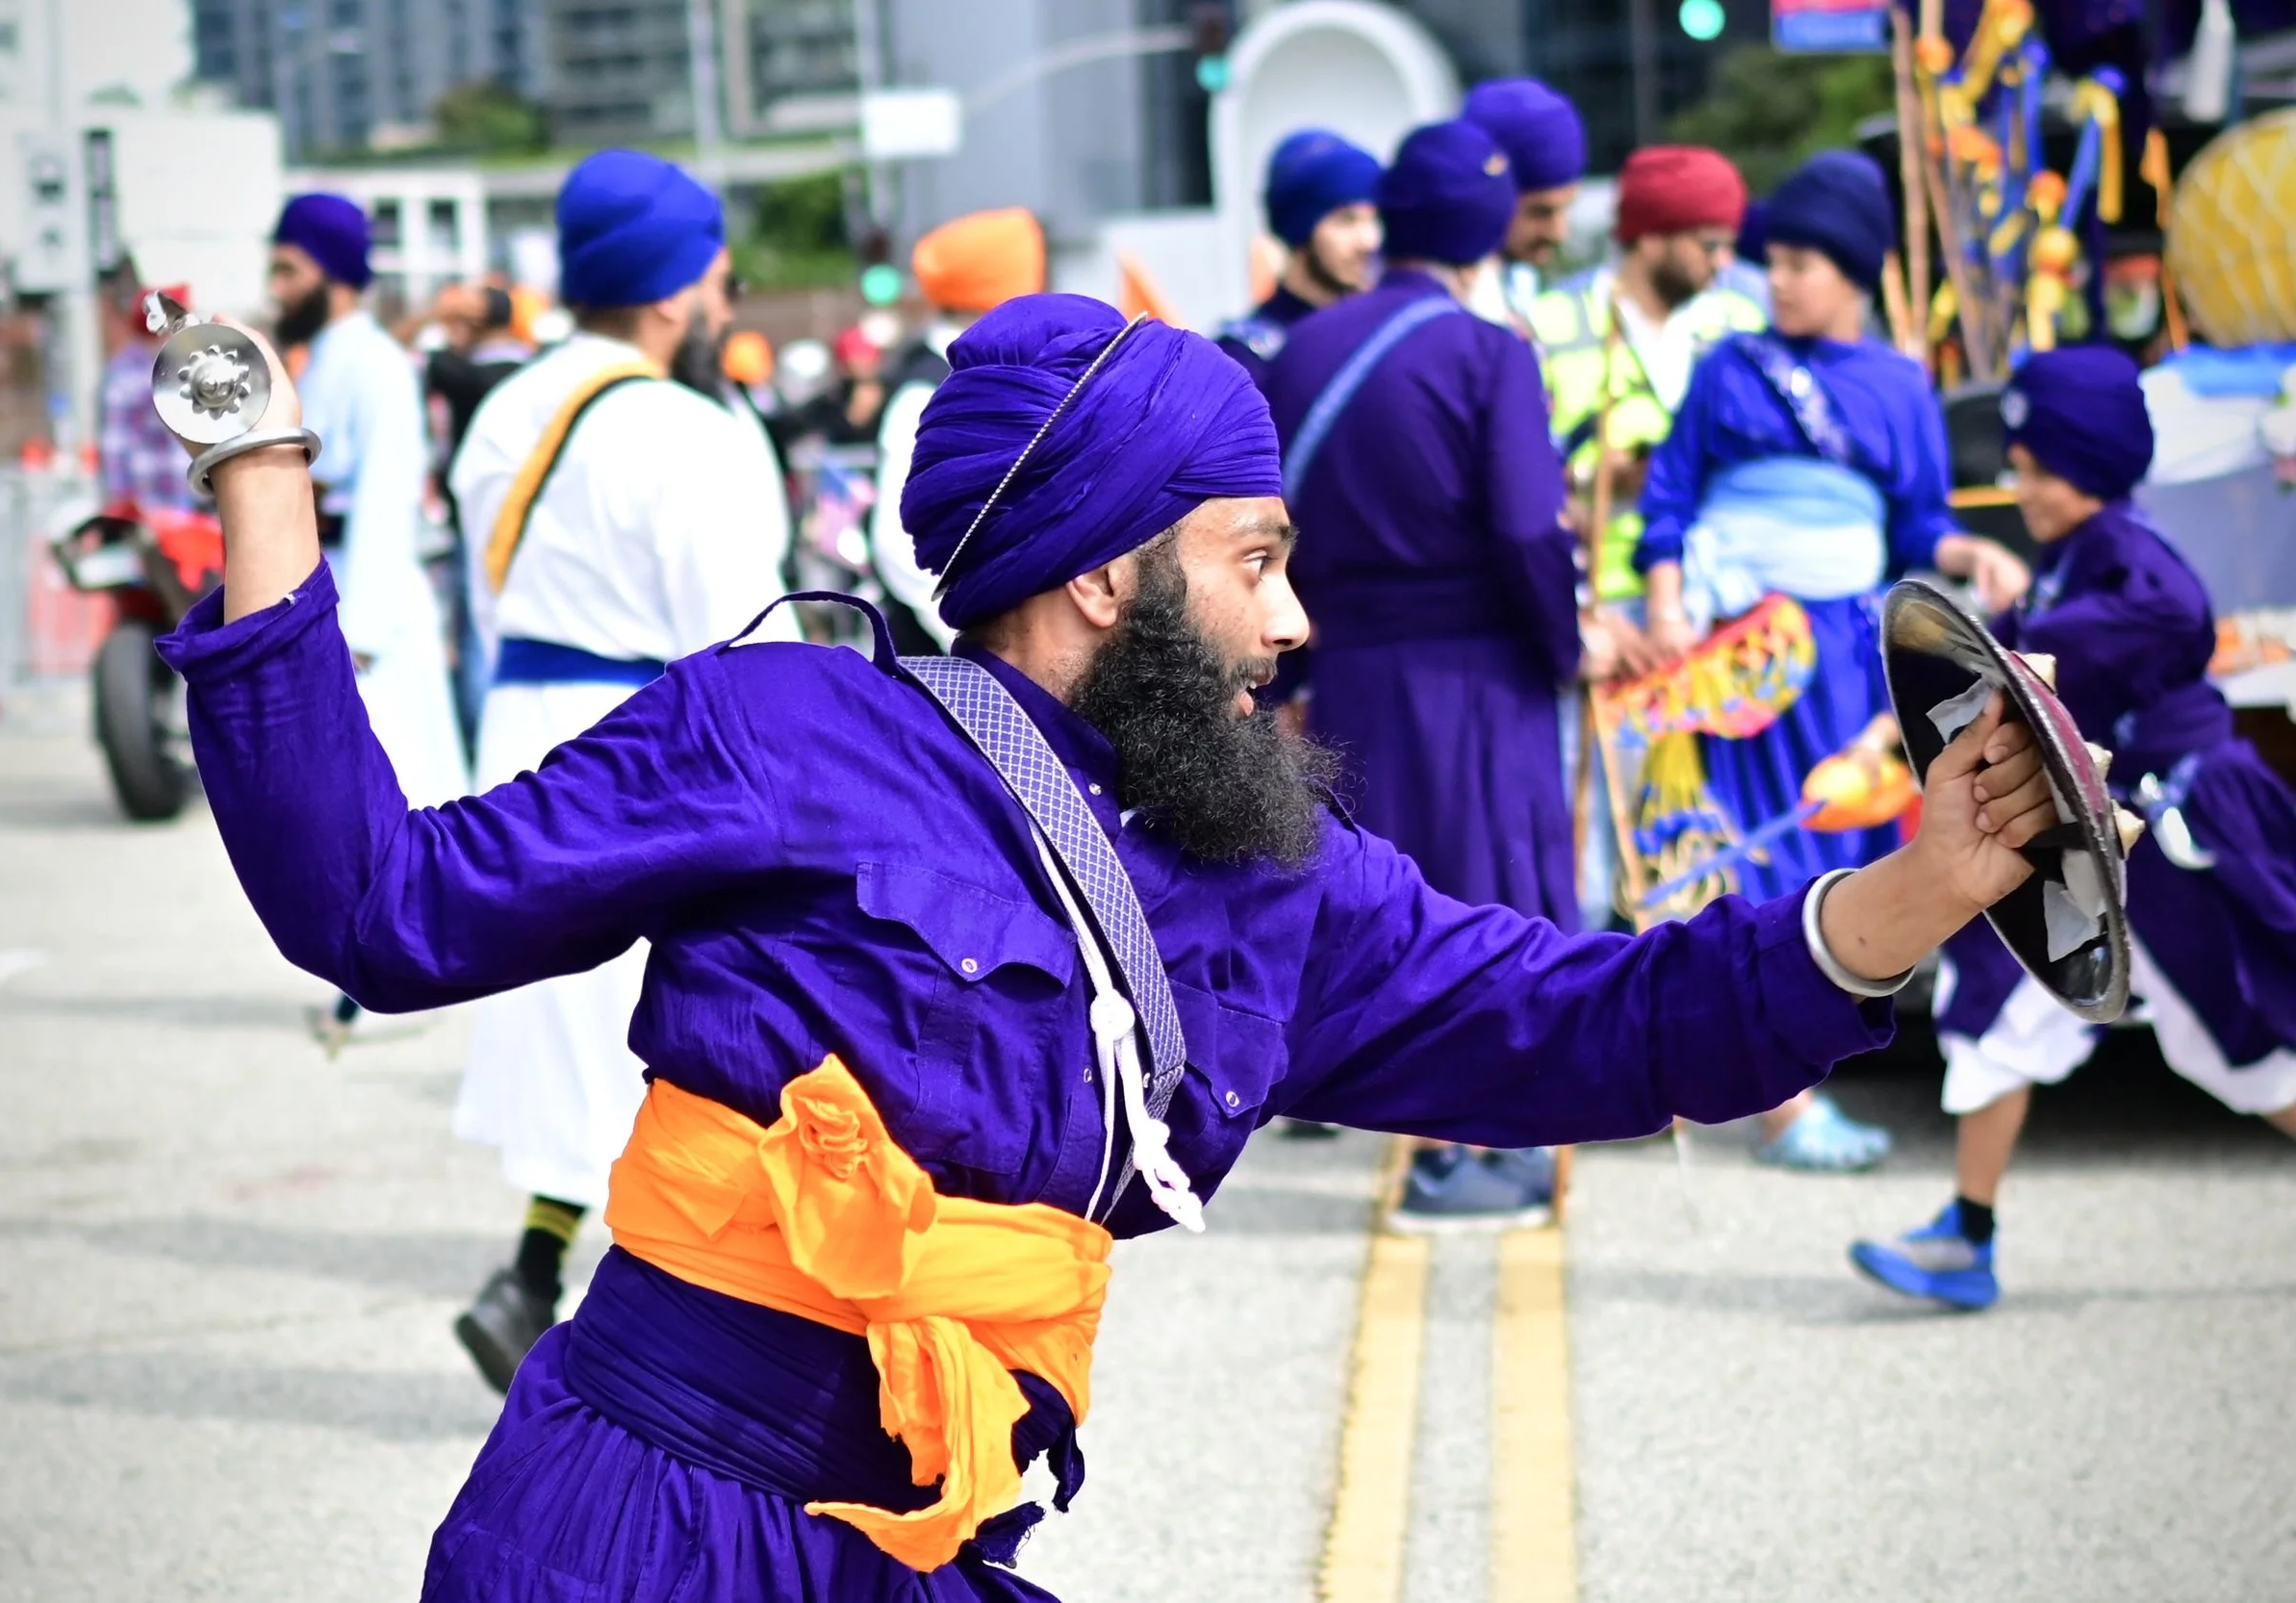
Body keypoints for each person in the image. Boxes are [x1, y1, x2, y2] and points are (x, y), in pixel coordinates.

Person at [152, 284, 2058, 1602]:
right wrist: (261, 478)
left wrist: (1919, 884)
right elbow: (377, 906)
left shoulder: (1269, 873)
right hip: (633, 1515)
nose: (1292, 619)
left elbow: (1594, 1022)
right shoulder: (787, 728)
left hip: (920, 1537)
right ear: (1096, 571)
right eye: (1254, 557)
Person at [443, 149, 794, 1389]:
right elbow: (750, 638)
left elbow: (484, 605)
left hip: (521, 732)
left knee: (565, 1030)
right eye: (716, 277)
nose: (724, 303)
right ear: (673, 290)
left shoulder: (501, 413)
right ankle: (645, 1337)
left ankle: (531, 1274)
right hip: (650, 744)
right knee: (689, 1036)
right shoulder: (681, 429)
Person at [1851, 347, 2296, 1310]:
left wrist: (2027, 657)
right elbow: (1997, 656)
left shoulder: (2137, 566)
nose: (2020, 485)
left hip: (2174, 833)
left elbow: (2166, 620)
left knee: (2252, 1056)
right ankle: (1965, 1235)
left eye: (2036, 468)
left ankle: (1965, 1238)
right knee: (2001, 1017)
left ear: (2088, 468)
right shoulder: (2071, 563)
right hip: (2105, 836)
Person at [1633, 152, 2029, 1168]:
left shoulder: (1900, 384)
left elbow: (1919, 525)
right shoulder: (1729, 368)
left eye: (1801, 261)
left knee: (1827, 853)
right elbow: (1668, 498)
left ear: (1853, 271)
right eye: (1775, 261)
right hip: (1740, 654)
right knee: (1744, 850)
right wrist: (1671, 603)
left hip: (1847, 655)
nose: (1779, 279)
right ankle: (1780, 1102)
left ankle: (1775, 1072)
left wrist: (1970, 549)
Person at [1265, 121, 1586, 1229]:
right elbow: (1527, 530)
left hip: (1350, 666)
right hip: (1477, 670)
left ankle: (1427, 1140)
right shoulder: (1489, 350)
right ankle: (1490, 1150)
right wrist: (1567, 645)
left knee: (1390, 905)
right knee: (1495, 898)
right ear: (1486, 234)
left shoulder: (1302, 347)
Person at [268, 192, 471, 1054]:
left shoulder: (375, 363)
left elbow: (384, 499)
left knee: (394, 801)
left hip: (372, 605)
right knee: (354, 807)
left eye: (289, 268)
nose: (275, 286)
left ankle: (401, 985)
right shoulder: (330, 359)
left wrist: (365, 630)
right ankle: (377, 980)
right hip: (344, 588)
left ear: (335, 272)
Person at [1529, 146, 1763, 623]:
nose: (1724, 262)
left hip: (1725, 601)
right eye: (1710, 244)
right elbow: (1517, 480)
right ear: (1653, 238)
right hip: (1599, 605)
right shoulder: (1549, 323)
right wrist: (1592, 481)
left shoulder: (1743, 325)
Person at [870, 207, 1046, 652]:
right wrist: (969, 634)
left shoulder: (976, 371)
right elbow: (897, 542)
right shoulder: (925, 392)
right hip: (945, 659)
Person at [421, 281, 539, 755]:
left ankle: (482, 745)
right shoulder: (533, 369)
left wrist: (446, 321)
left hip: (475, 520)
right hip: (526, 517)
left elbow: (428, 356)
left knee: (474, 633)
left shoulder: (459, 372)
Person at [1216, 129, 1383, 379]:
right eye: (1347, 221)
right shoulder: (1247, 358)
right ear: (1300, 232)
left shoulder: (1381, 334)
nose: (1369, 241)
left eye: (1375, 219)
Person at [1459, 78, 1586, 335]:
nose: (1559, 232)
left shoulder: (1519, 279)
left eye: (1567, 208)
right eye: (1540, 212)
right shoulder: (1444, 306)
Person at [95, 258, 204, 517]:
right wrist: (124, 510)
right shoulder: (129, 374)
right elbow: (116, 447)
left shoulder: (186, 362)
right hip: (151, 510)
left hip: (189, 506)